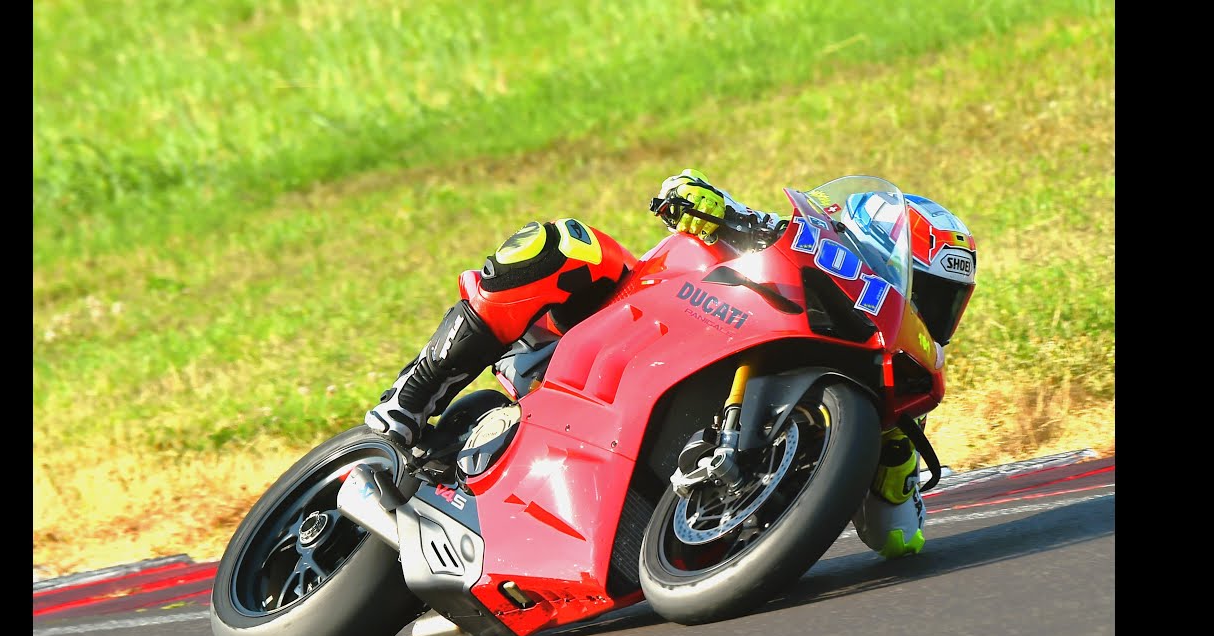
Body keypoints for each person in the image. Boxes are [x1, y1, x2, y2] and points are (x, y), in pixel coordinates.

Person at [364, 169, 977, 560]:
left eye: (938, 302)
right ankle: (405, 406)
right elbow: (688, 196)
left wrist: (889, 443)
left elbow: (898, 536)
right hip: (618, 333)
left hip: (652, 529)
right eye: (919, 285)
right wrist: (699, 200)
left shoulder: (875, 408)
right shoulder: (774, 238)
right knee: (563, 246)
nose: (922, 308)